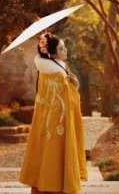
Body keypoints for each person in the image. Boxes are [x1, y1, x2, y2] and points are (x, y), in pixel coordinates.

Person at [19, 32, 87, 194]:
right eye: (62, 48)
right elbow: (67, 97)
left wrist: (71, 84)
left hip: (48, 120)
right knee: (57, 154)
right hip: (61, 122)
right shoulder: (57, 72)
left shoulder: (48, 68)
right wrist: (74, 85)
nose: (66, 50)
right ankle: (56, 187)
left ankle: (44, 185)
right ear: (53, 53)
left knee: (47, 151)